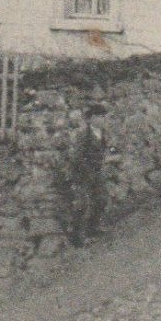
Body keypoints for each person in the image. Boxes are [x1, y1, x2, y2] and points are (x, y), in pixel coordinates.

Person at [65, 103, 110, 245]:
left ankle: (94, 227)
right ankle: (80, 238)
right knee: (83, 205)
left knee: (101, 199)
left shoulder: (102, 133)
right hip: (84, 174)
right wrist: (87, 171)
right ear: (90, 119)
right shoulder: (84, 135)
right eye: (98, 117)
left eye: (103, 117)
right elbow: (77, 157)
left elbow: (102, 152)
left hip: (97, 173)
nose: (102, 120)